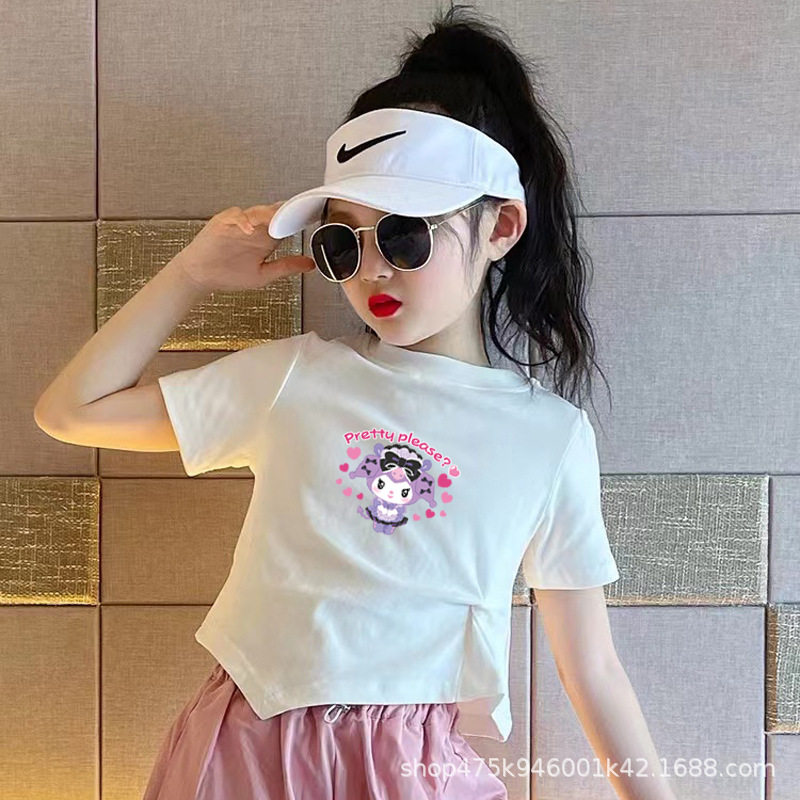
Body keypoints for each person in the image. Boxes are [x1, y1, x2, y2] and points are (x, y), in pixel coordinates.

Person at [34, 4, 678, 799]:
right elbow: (72, 411)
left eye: (404, 235)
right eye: (343, 242)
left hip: (411, 769)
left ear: (502, 226)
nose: (372, 270)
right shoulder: (295, 379)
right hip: (242, 752)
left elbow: (594, 669)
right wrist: (190, 275)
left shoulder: (548, 436)